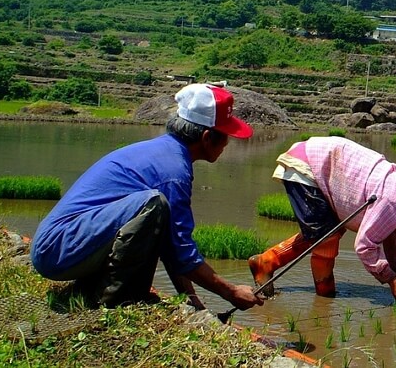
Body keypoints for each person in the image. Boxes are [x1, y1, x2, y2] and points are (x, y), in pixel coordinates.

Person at [31, 83, 264, 310]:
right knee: (153, 204)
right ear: (205, 137)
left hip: (62, 246)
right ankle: (117, 299)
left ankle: (107, 287)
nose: (227, 143)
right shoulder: (173, 173)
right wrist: (230, 292)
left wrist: (193, 301)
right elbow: (183, 253)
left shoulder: (164, 153)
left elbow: (172, 246)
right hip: (56, 251)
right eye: (225, 136)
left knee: (156, 209)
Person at [248, 137, 396, 306]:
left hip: (314, 160)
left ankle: (266, 262)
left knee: (321, 232)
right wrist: (390, 278)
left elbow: (391, 237)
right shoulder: (393, 199)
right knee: (327, 237)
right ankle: (324, 298)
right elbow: (364, 246)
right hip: (307, 168)